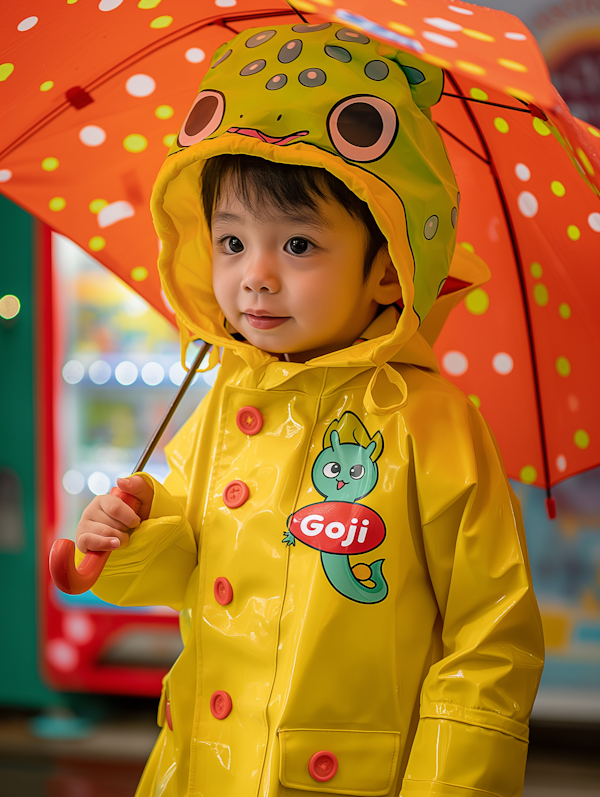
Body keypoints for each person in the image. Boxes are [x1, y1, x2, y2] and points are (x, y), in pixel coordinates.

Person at [75, 21, 544, 797]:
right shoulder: (223, 396)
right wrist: (128, 537)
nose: (254, 277)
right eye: (231, 242)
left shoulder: (432, 422)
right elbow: (190, 565)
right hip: (203, 768)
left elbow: (490, 639)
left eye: (296, 246)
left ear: (389, 269)